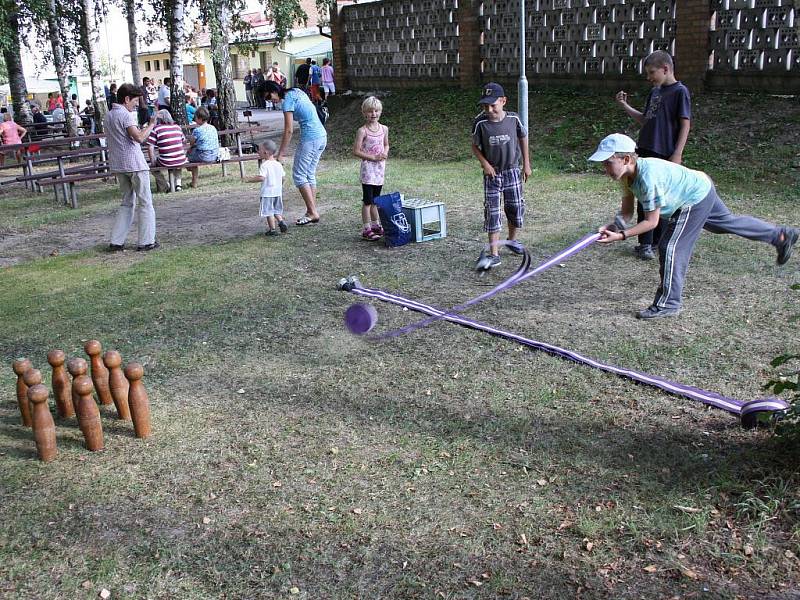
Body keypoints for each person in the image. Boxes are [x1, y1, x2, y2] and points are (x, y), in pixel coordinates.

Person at [590, 133, 799, 319]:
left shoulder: (647, 178)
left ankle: (668, 304)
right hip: (701, 184)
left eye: (607, 162)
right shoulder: (627, 176)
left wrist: (622, 236)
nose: (605, 168)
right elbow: (627, 211)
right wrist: (614, 226)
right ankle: (780, 235)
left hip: (692, 198)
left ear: (626, 159)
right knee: (723, 223)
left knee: (671, 248)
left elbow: (651, 222)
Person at [615, 51, 691, 261]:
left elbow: (685, 124)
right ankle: (644, 243)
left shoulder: (680, 92)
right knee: (644, 196)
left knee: (664, 199)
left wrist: (677, 153)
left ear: (665, 69)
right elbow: (645, 119)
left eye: (651, 72)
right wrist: (625, 106)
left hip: (665, 153)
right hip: (646, 150)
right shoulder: (654, 92)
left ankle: (658, 241)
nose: (648, 77)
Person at [470, 82, 531, 270]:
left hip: (512, 170)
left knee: (514, 207)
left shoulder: (513, 119)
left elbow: (523, 137)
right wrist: (485, 164)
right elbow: (474, 146)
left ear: (503, 101)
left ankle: (512, 241)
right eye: (485, 106)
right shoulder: (480, 123)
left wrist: (526, 164)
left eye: (493, 105)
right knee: (493, 212)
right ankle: (494, 253)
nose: (489, 109)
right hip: (493, 175)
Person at [104, 83, 158, 252]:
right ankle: (146, 241)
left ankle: (116, 241)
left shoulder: (109, 115)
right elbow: (139, 138)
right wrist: (151, 125)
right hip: (135, 164)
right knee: (145, 203)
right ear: (126, 99)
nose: (136, 104)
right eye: (135, 100)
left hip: (119, 165)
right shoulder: (126, 116)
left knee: (127, 203)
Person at [264, 80, 327, 225]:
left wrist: (280, 154)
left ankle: (312, 212)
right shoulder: (296, 92)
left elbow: (289, 130)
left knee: (299, 175)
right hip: (321, 136)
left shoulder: (287, 101)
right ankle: (311, 211)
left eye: (269, 96)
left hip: (311, 138)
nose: (270, 101)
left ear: (274, 89)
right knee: (309, 174)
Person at [353, 96, 389, 241]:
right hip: (368, 171)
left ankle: (376, 225)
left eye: (376, 111)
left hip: (380, 170)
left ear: (380, 112)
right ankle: (366, 229)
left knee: (376, 200)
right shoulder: (362, 131)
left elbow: (386, 144)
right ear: (364, 113)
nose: (373, 114)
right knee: (367, 201)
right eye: (370, 111)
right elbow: (356, 150)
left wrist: (385, 152)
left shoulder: (384, 129)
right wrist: (372, 157)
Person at [246, 140, 288, 236]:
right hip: (277, 192)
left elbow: (262, 177)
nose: (258, 152)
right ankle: (281, 221)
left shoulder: (264, 165)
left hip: (267, 193)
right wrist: (279, 186)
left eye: (259, 150)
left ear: (265, 152)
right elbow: (283, 178)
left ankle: (272, 230)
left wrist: (249, 180)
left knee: (269, 211)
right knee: (276, 210)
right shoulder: (278, 164)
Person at [147, 109, 187, 193]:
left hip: (166, 161)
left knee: (152, 168)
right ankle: (178, 184)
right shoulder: (177, 127)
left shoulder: (156, 129)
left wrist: (153, 162)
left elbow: (150, 147)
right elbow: (183, 141)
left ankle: (166, 185)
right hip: (181, 159)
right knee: (177, 160)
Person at [186, 106, 219, 188]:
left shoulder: (197, 130)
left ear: (200, 118)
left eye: (195, 117)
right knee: (192, 153)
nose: (194, 119)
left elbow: (192, 142)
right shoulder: (213, 127)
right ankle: (193, 182)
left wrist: (190, 145)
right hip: (215, 154)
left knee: (189, 157)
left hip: (204, 155)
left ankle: (194, 182)